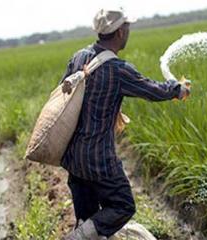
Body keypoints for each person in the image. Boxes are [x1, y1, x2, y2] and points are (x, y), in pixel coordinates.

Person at [61, 8, 191, 240]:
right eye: (127, 27)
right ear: (120, 32)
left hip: (73, 158)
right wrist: (178, 89)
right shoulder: (117, 69)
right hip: (99, 160)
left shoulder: (79, 57)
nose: (128, 31)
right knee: (123, 206)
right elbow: (152, 90)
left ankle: (80, 235)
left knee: (88, 219)